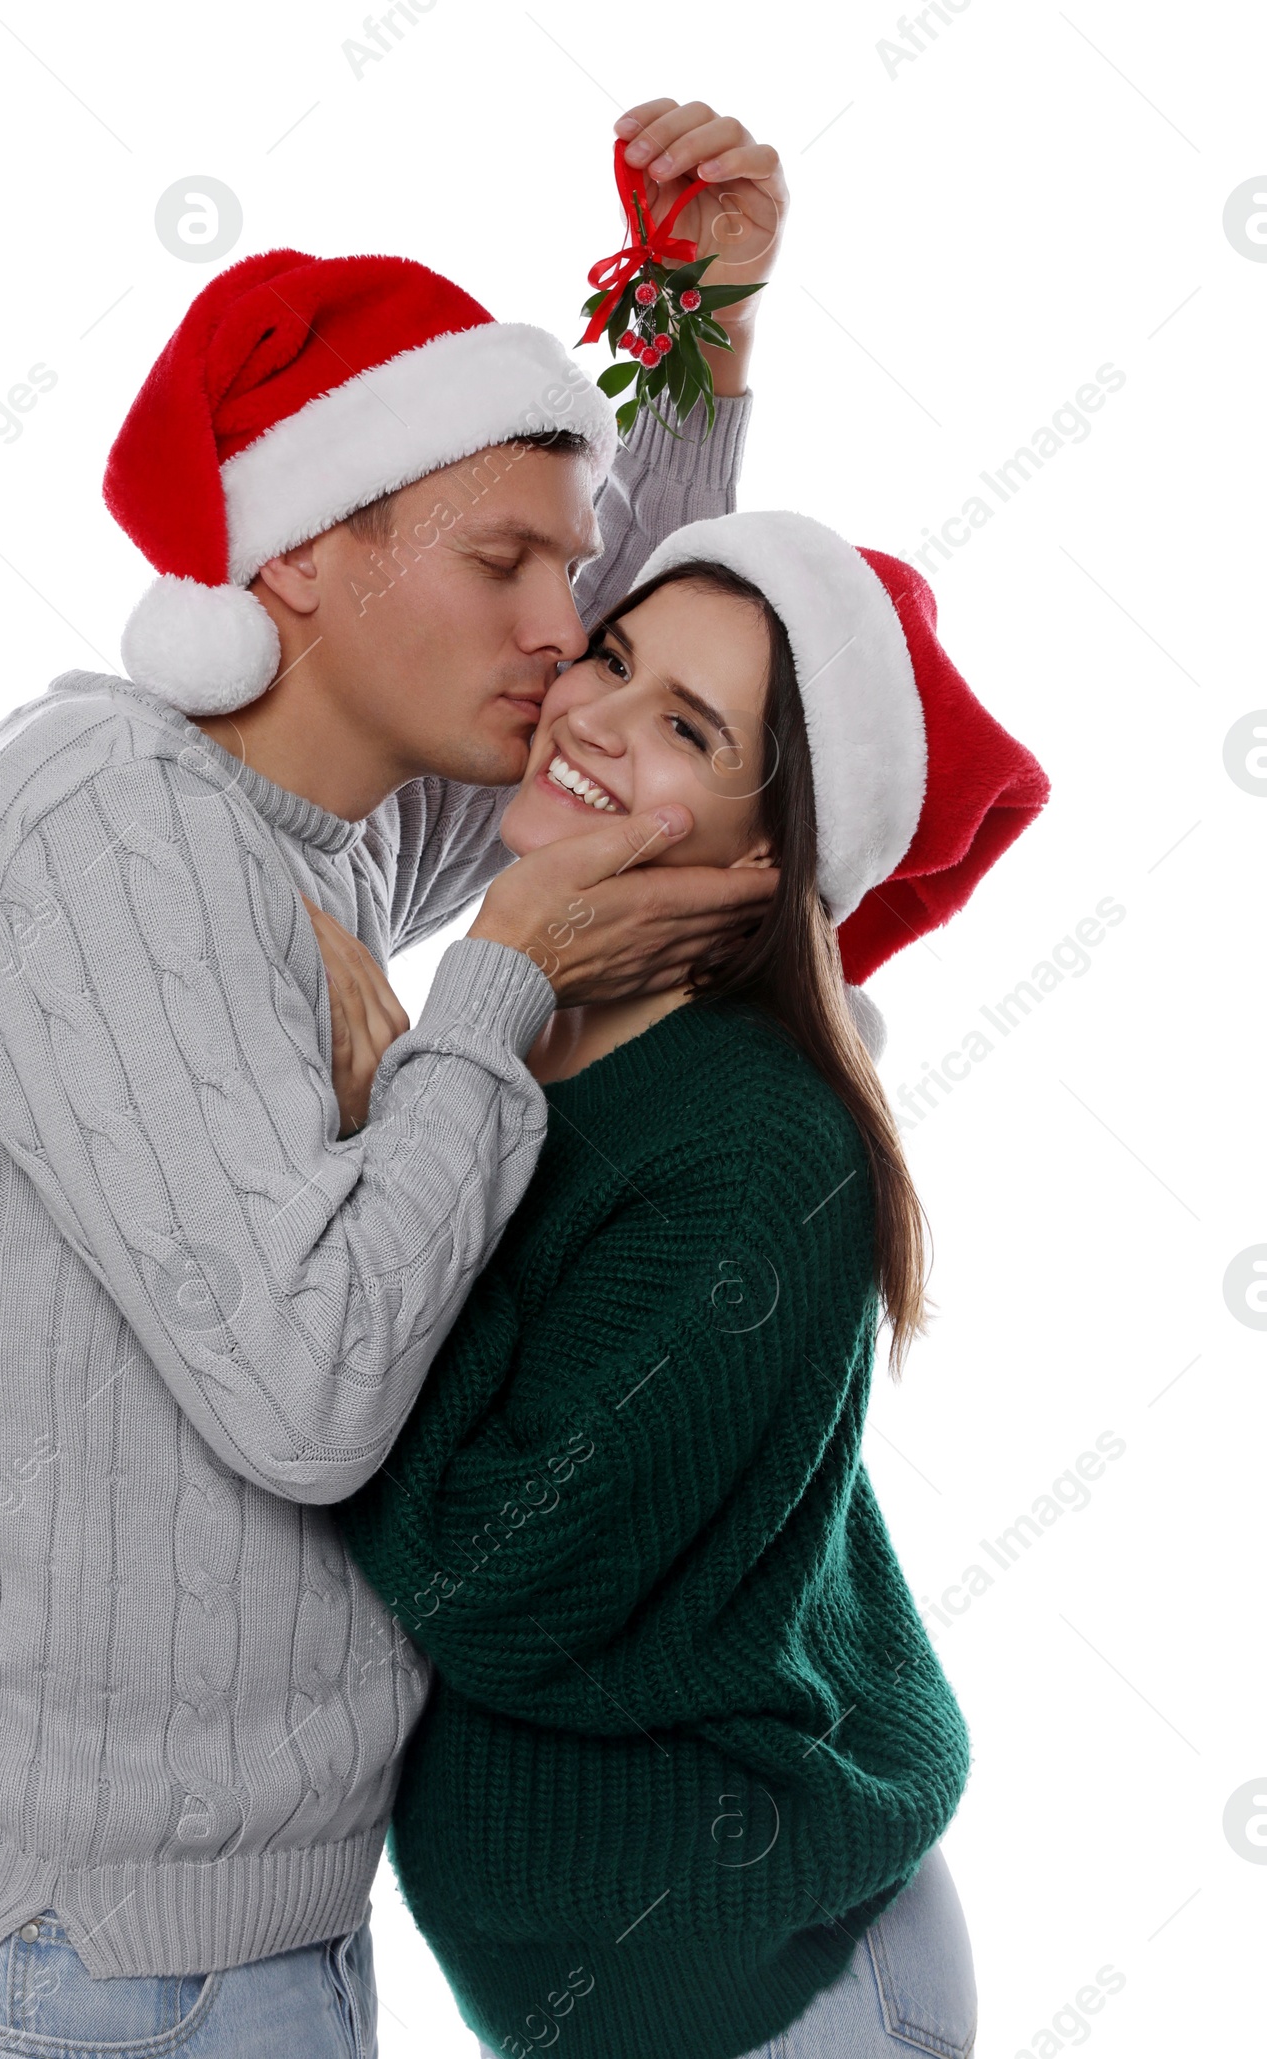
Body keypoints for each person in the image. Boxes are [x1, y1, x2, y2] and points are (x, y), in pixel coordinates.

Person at [0, 101, 792, 2059]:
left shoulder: (303, 838)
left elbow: (603, 691)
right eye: (501, 563)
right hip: (83, 1965)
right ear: (291, 565)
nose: (559, 634)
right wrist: (497, 988)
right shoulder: (112, 833)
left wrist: (690, 324)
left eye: (566, 567)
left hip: (218, 1939)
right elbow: (305, 1391)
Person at [332, 508, 1051, 2059]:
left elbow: (482, 1577)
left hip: (781, 1990)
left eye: (684, 727)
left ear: (766, 853)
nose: (588, 716)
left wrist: (421, 1073)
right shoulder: (543, 1029)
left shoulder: (753, 1153)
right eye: (613, 654)